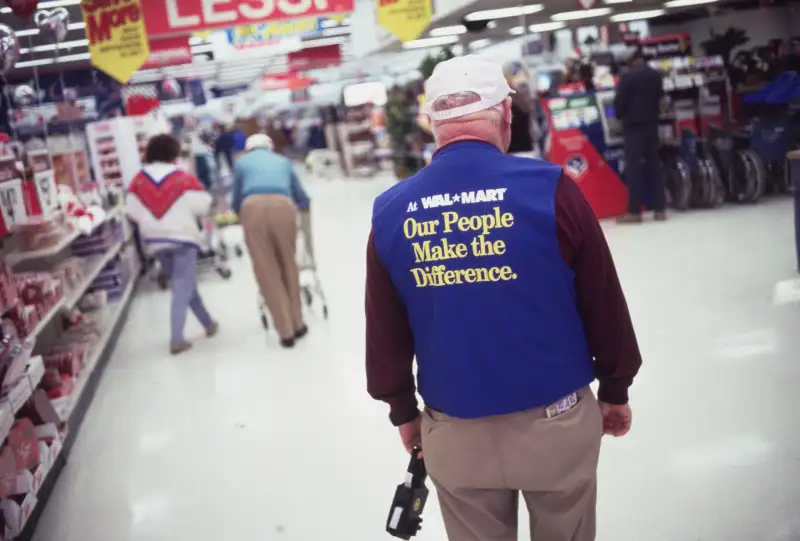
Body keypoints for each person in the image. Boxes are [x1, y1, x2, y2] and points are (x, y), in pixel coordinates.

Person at [365, 55, 643, 541]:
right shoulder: (552, 189)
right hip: (555, 422)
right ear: (506, 116)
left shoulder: (391, 212)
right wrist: (615, 389)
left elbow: (384, 330)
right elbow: (603, 301)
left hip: (453, 430)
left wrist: (403, 412)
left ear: (432, 123)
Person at [126, 134, 219, 355]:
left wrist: (153, 222)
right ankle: (176, 338)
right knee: (181, 286)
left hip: (156, 241)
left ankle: (208, 323)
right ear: (173, 152)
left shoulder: (138, 179)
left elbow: (131, 210)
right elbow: (202, 205)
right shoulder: (181, 176)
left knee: (184, 284)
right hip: (183, 238)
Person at [232, 134, 311, 348]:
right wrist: (303, 206)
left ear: (249, 149)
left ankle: (285, 332)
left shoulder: (241, 164)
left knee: (266, 267)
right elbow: (301, 195)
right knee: (289, 262)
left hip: (252, 206)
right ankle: (298, 323)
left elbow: (236, 200)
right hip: (283, 205)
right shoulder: (282, 161)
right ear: (270, 147)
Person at [614, 48, 666, 222]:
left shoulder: (628, 77)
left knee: (634, 169)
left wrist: (619, 116)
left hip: (634, 128)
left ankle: (634, 212)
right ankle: (660, 209)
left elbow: (620, 104)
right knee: (654, 167)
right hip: (652, 125)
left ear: (630, 60)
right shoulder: (655, 75)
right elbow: (660, 98)